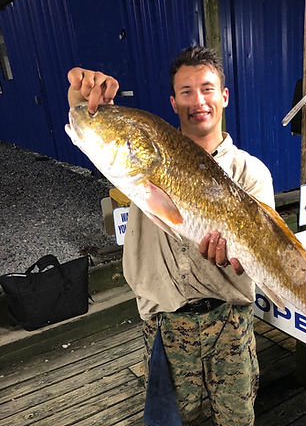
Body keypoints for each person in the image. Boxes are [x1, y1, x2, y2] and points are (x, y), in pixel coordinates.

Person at [67, 46, 275, 426]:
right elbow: (93, 129)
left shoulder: (251, 173)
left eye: (207, 89)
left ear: (224, 96)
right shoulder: (143, 158)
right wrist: (83, 100)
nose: (198, 101)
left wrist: (237, 257)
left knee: (237, 420)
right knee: (173, 420)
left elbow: (263, 255)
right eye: (186, 91)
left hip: (230, 323)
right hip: (165, 326)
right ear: (173, 102)